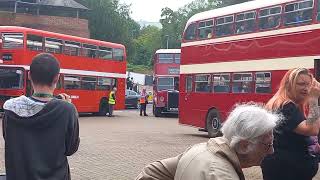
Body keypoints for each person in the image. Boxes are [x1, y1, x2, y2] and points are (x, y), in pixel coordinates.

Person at [135, 103, 279, 180]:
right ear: (244, 145)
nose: (271, 151)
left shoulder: (200, 149)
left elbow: (150, 172)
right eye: (268, 145)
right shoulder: (222, 176)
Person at [2, 53, 80, 180]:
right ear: (57, 78)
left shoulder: (10, 109)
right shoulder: (67, 110)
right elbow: (71, 149)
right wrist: (66, 109)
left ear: (29, 76)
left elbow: (9, 139)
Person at [261, 68, 320, 180]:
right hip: (284, 171)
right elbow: (312, 129)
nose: (307, 89)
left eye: (309, 84)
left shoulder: (290, 104)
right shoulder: (285, 106)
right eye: (301, 84)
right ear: (289, 85)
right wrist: (313, 99)